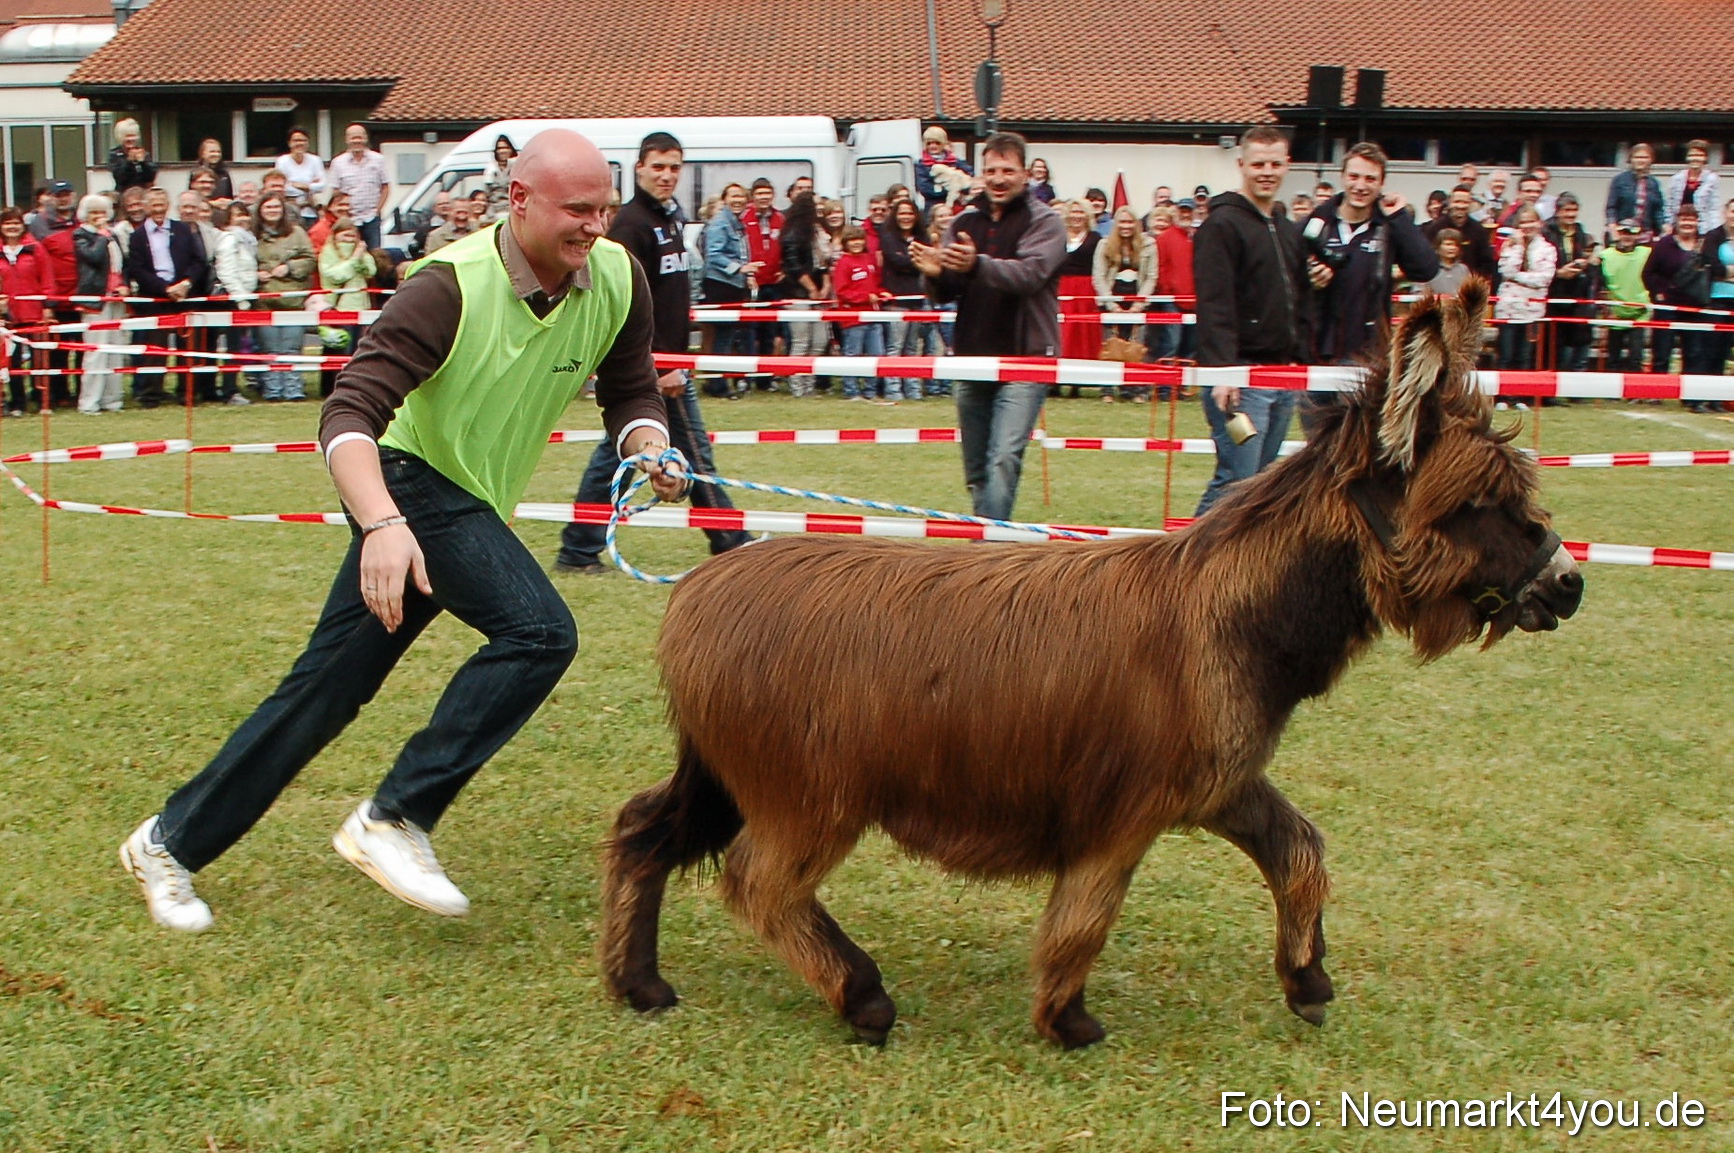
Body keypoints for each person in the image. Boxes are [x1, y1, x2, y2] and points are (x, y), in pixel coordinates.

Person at [119, 129, 681, 933]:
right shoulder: (447, 286)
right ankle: (394, 816)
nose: (595, 226)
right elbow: (347, 413)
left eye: (603, 208)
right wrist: (382, 523)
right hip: (408, 482)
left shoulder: (618, 279)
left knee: (325, 691)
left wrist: (649, 448)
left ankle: (164, 843)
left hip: (464, 502)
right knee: (540, 632)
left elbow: (631, 391)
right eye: (576, 209)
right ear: (519, 200)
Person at [554, 130, 754, 573]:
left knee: (622, 454)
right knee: (693, 454)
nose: (667, 176)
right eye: (658, 167)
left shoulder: (670, 218)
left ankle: (579, 546)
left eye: (674, 168)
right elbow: (620, 301)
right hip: (654, 367)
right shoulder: (631, 225)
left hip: (673, 359)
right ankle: (731, 543)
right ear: (639, 167)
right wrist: (653, 367)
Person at [910, 131, 1064, 521]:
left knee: (1003, 458)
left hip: (1025, 359)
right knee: (976, 464)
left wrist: (976, 264)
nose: (998, 178)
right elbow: (950, 289)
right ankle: (986, 539)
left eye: (1007, 170)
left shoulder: (1045, 222)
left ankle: (988, 549)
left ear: (1025, 174)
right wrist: (934, 275)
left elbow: (1030, 274)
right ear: (980, 174)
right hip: (972, 355)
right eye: (991, 170)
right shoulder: (964, 221)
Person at [1191, 125, 1314, 517]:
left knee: (1260, 485)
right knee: (1236, 481)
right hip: (1240, 375)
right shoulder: (1222, 225)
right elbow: (1215, 303)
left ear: (1287, 166)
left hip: (1281, 374)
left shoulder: (1286, 228)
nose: (1267, 171)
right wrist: (1224, 372)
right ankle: (1177, 568)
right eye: (1258, 163)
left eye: (1275, 164)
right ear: (1241, 164)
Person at [1304, 142, 1438, 372]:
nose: (1360, 186)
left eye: (1370, 179)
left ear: (1382, 183)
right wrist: (1309, 280)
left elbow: (1425, 269)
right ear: (1342, 177)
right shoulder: (1317, 223)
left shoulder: (1388, 226)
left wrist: (1399, 218)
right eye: (1354, 176)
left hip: (1369, 355)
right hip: (1318, 352)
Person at [124, 187, 209, 408]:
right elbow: (137, 269)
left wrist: (186, 284)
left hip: (186, 297)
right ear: (145, 207)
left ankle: (188, 393)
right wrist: (165, 289)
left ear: (168, 205)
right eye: (154, 205)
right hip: (155, 300)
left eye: (162, 204)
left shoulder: (183, 230)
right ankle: (152, 395)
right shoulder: (137, 236)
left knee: (189, 349)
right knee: (155, 351)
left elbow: (199, 261)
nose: (158, 209)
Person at [252, 191, 315, 401]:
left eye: (276, 207)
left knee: (291, 348)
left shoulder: (297, 232)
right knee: (269, 349)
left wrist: (289, 267)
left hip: (292, 301)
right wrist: (253, 274)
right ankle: (272, 391)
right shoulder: (252, 235)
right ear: (260, 210)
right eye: (268, 207)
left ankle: (293, 390)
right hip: (264, 302)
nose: (272, 211)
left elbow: (310, 259)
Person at [70, 194, 128, 414]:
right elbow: (92, 257)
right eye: (94, 212)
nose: (98, 217)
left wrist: (124, 284)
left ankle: (113, 401)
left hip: (116, 298)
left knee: (116, 350)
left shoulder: (114, 234)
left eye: (102, 212)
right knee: (96, 352)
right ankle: (89, 403)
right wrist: (103, 238)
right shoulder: (81, 235)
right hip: (95, 300)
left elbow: (123, 263)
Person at [1093, 206, 1156, 401]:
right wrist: (1112, 305)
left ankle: (1137, 389)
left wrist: (1139, 303)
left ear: (1136, 224)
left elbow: (1152, 277)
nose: (1126, 226)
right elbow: (1098, 276)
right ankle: (1108, 389)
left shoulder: (1149, 244)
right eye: (1122, 222)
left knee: (1137, 347)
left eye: (1130, 222)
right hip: (1112, 300)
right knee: (1111, 346)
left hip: (1138, 301)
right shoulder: (1104, 244)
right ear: (1115, 224)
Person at [1643, 202, 1707, 378]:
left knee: (1694, 353)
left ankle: (1691, 397)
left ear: (1697, 222)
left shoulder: (1704, 245)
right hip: (1667, 307)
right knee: (1662, 352)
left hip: (1695, 307)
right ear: (1677, 221)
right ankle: (1656, 392)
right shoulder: (1664, 244)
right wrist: (1658, 294)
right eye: (1684, 219)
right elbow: (1648, 273)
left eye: (1692, 220)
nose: (1688, 224)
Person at [699, 182, 757, 375]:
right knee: (722, 335)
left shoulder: (737, 223)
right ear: (724, 200)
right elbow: (713, 255)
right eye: (733, 196)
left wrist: (747, 274)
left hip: (733, 284)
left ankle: (720, 378)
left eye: (741, 196)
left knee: (728, 334)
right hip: (720, 285)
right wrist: (740, 268)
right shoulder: (720, 223)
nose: (738, 200)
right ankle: (717, 381)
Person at [1493, 206, 1556, 382]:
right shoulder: (1510, 246)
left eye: (1531, 221)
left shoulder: (1547, 249)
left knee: (1525, 355)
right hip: (1508, 308)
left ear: (1540, 223)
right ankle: (1503, 396)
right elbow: (1505, 271)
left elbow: (1544, 279)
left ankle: (1520, 395)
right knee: (1506, 354)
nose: (1527, 226)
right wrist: (1519, 246)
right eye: (1523, 222)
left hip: (1532, 311)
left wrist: (1516, 277)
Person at [879, 196, 933, 402]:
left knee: (912, 348)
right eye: (902, 213)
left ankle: (913, 390)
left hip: (918, 298)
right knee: (895, 347)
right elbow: (897, 261)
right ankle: (893, 390)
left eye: (910, 213)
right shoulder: (888, 236)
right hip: (896, 300)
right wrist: (918, 261)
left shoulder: (922, 236)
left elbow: (928, 259)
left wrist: (916, 260)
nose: (906, 217)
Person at [1, 208, 53, 416]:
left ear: (23, 225)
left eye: (16, 223)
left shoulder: (35, 248)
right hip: (7, 317)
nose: (12, 227)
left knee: (40, 360)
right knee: (11, 363)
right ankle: (17, 403)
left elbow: (47, 279)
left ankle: (42, 401)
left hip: (34, 313)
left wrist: (48, 306)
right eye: (7, 223)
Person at [317, 216, 377, 396]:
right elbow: (336, 276)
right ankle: (331, 388)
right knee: (336, 348)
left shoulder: (363, 253)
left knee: (357, 349)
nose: (349, 241)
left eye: (352, 236)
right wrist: (354, 259)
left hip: (361, 306)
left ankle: (353, 385)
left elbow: (371, 271)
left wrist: (362, 255)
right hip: (338, 306)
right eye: (344, 236)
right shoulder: (327, 252)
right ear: (335, 236)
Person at [1543, 193, 1600, 372]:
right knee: (1554, 342)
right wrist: (1558, 273)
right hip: (1553, 291)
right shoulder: (1547, 232)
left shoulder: (1580, 231)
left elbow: (1583, 253)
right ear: (1558, 211)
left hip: (1576, 291)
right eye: (1567, 210)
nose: (1571, 215)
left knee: (1575, 339)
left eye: (1574, 210)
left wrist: (1584, 262)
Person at [778, 192, 826, 398]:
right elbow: (794, 266)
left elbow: (822, 264)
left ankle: (809, 382)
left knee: (819, 341)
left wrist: (823, 287)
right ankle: (798, 385)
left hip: (816, 292)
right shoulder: (792, 234)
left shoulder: (815, 233)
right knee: (801, 341)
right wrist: (811, 288)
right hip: (797, 294)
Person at [1693, 197, 1734, 408]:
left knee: (1724, 352)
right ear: (1725, 213)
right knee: (1707, 350)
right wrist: (1728, 273)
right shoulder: (1714, 236)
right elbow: (1713, 265)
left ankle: (1716, 398)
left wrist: (1727, 274)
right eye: (1733, 211)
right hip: (1716, 300)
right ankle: (1698, 398)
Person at [327, 123, 392, 249]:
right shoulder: (338, 162)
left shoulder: (378, 160)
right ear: (346, 140)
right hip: (349, 219)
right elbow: (336, 193)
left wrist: (377, 211)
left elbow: (385, 187)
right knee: (349, 252)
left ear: (366, 139)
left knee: (375, 255)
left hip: (371, 218)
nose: (357, 141)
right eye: (353, 138)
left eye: (359, 137)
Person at [1599, 220, 1652, 372]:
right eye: (1624, 232)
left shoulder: (1646, 253)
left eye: (1631, 233)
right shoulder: (1605, 256)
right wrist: (1605, 308)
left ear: (1638, 235)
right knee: (1613, 356)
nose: (1627, 237)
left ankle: (1634, 393)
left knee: (1636, 356)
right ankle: (1611, 391)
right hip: (1616, 312)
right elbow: (1599, 285)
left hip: (1640, 312)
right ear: (1618, 233)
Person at [1055, 198, 1102, 366]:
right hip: (1061, 286)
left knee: (1082, 330)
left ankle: (1083, 369)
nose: (1077, 215)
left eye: (1081, 212)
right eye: (1074, 211)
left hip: (1085, 288)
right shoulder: (1057, 236)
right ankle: (1059, 366)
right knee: (1062, 329)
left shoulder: (1095, 238)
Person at [1422, 185, 1498, 281]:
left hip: (1469, 285)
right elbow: (1425, 259)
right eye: (1457, 202)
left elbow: (1485, 262)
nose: (1460, 206)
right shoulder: (1435, 229)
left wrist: (1474, 282)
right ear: (1449, 203)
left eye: (1465, 202)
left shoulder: (1478, 230)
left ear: (1470, 204)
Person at [1151, 202, 1195, 362]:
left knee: (1190, 344)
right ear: (1176, 212)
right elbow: (1161, 267)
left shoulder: (1197, 237)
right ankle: (1164, 385)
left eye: (1188, 212)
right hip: (1172, 300)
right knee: (1171, 343)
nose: (1185, 215)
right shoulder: (1165, 238)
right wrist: (1167, 290)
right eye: (1182, 211)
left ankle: (1182, 385)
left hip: (1195, 299)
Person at [1606, 143, 1665, 242]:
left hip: (1646, 234)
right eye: (1637, 157)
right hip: (1623, 233)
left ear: (1651, 160)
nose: (1641, 160)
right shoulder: (1619, 180)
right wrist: (1612, 227)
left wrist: (1663, 228)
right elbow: (1611, 207)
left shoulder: (1654, 183)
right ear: (1631, 160)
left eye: (1645, 157)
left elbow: (1658, 210)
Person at [274, 126, 327, 226]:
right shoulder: (282, 161)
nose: (300, 143)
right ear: (289, 143)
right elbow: (283, 188)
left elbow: (322, 186)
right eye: (296, 140)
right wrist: (310, 186)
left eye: (303, 140)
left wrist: (297, 185)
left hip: (311, 211)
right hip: (290, 212)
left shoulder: (315, 160)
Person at [915, 126, 973, 211]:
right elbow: (924, 188)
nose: (933, 146)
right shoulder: (922, 164)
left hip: (957, 205)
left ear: (943, 143)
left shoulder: (955, 161)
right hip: (934, 206)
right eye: (929, 143)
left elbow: (970, 175)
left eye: (937, 143)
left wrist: (962, 186)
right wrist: (949, 189)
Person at [1664, 140, 1719, 230]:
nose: (1695, 158)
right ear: (1687, 157)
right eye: (1692, 155)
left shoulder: (1712, 179)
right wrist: (1668, 224)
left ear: (1705, 158)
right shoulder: (1677, 178)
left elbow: (1713, 208)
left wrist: (1713, 230)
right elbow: (1669, 205)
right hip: (1678, 225)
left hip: (1702, 227)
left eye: (1699, 155)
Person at [107, 118, 157, 192]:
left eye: (133, 136)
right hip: (123, 193)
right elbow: (120, 178)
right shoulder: (114, 155)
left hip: (143, 193)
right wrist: (129, 162)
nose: (130, 139)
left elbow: (150, 178)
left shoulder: (144, 153)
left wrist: (143, 163)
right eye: (127, 136)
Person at [1427, 228, 1471, 296]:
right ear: (1438, 247)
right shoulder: (1428, 269)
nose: (1452, 248)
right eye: (1448, 244)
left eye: (1456, 245)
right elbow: (1419, 295)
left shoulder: (1464, 269)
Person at [483, 135, 517, 222]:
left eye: (505, 148)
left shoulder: (517, 166)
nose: (502, 151)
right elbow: (487, 195)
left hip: (513, 211)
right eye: (499, 148)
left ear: (511, 149)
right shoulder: (490, 169)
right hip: (494, 212)